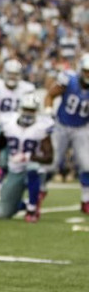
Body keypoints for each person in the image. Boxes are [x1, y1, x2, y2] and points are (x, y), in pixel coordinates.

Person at [0, 59, 35, 200]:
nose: (12, 77)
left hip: (18, 129)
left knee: (17, 161)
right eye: (10, 74)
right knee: (0, 161)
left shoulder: (26, 89)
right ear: (4, 73)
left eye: (15, 74)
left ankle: (11, 189)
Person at [0, 93, 53, 222]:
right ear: (20, 108)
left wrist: (30, 156)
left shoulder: (42, 126)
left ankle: (32, 209)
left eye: (32, 110)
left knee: (33, 167)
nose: (28, 112)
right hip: (14, 170)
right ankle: (28, 203)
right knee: (3, 213)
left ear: (37, 111)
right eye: (26, 109)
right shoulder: (9, 123)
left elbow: (50, 157)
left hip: (35, 169)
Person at [43, 54, 89, 214]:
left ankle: (86, 200)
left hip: (82, 128)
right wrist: (49, 113)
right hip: (61, 125)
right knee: (52, 163)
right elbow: (50, 95)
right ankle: (41, 189)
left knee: (87, 164)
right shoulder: (69, 79)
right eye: (86, 71)